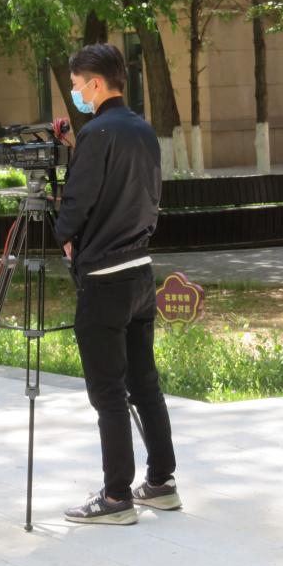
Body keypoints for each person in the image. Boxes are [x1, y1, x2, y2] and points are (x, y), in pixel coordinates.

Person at [53, 43, 180, 525]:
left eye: (76, 85)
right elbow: (141, 192)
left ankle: (115, 498)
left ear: (95, 83)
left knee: (107, 392)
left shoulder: (97, 133)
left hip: (104, 277)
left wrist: (65, 236)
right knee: (144, 384)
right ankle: (161, 483)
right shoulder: (141, 129)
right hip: (140, 271)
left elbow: (79, 200)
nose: (75, 93)